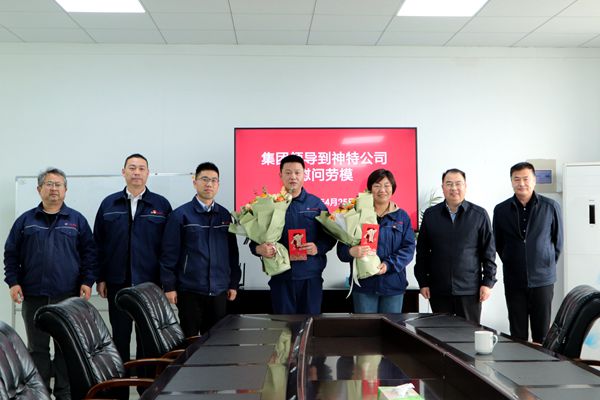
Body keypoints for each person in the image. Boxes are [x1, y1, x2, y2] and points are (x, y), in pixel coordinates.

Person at [4, 167, 97, 400]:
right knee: (37, 349)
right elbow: (11, 254)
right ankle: (40, 392)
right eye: (49, 184)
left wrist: (87, 281)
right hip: (34, 295)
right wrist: (13, 283)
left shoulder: (77, 220)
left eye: (58, 184)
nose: (53, 189)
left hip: (68, 296)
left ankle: (64, 393)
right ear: (39, 189)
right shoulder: (26, 221)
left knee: (66, 347)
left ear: (65, 189)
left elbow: (90, 254)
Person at [93, 153, 172, 363]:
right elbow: (98, 244)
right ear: (123, 172)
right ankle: (121, 382)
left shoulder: (161, 205)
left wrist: (167, 282)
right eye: (132, 168)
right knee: (120, 336)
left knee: (148, 336)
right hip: (117, 282)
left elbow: (169, 248)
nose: (136, 172)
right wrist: (100, 278)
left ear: (148, 173)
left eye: (141, 168)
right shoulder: (109, 204)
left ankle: (146, 382)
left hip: (150, 283)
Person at [160, 162, 240, 337]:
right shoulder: (180, 215)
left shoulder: (225, 216)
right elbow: (169, 254)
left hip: (219, 290)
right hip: (190, 290)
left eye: (214, 180)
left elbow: (232, 254)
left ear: (218, 184)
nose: (209, 184)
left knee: (216, 341)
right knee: (190, 339)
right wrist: (169, 286)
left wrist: (233, 283)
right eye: (204, 179)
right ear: (195, 182)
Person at [251, 154, 336, 314]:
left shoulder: (316, 204)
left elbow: (330, 236)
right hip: (281, 275)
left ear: (304, 174)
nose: (293, 177)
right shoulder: (270, 205)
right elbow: (255, 238)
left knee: (310, 323)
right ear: (280, 175)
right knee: (283, 325)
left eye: (297, 172)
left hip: (310, 276)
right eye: (288, 172)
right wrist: (259, 249)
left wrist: (317, 247)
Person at [415, 168, 497, 324]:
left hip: (469, 290)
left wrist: (487, 283)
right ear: (443, 187)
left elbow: (489, 252)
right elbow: (422, 252)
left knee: (468, 334)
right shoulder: (431, 215)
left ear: (465, 186)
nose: (454, 188)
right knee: (440, 334)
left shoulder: (479, 215)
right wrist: (423, 282)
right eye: (449, 184)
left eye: (458, 183)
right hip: (438, 289)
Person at [493, 162, 563, 343]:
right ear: (511, 181)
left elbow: (557, 242)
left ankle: (542, 362)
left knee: (542, 333)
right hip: (514, 280)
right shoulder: (501, 210)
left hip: (543, 280)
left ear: (534, 180)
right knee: (517, 334)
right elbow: (498, 243)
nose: (521, 183)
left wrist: (544, 262)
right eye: (517, 179)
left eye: (526, 179)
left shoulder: (550, 206)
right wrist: (512, 260)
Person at [337, 169, 416, 313]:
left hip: (393, 284)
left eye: (387, 185)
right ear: (369, 189)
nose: (382, 190)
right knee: (365, 326)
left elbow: (409, 249)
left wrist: (388, 264)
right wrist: (351, 251)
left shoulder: (402, 217)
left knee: (391, 326)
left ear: (393, 188)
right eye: (377, 185)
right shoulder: (356, 214)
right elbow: (341, 250)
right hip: (364, 285)